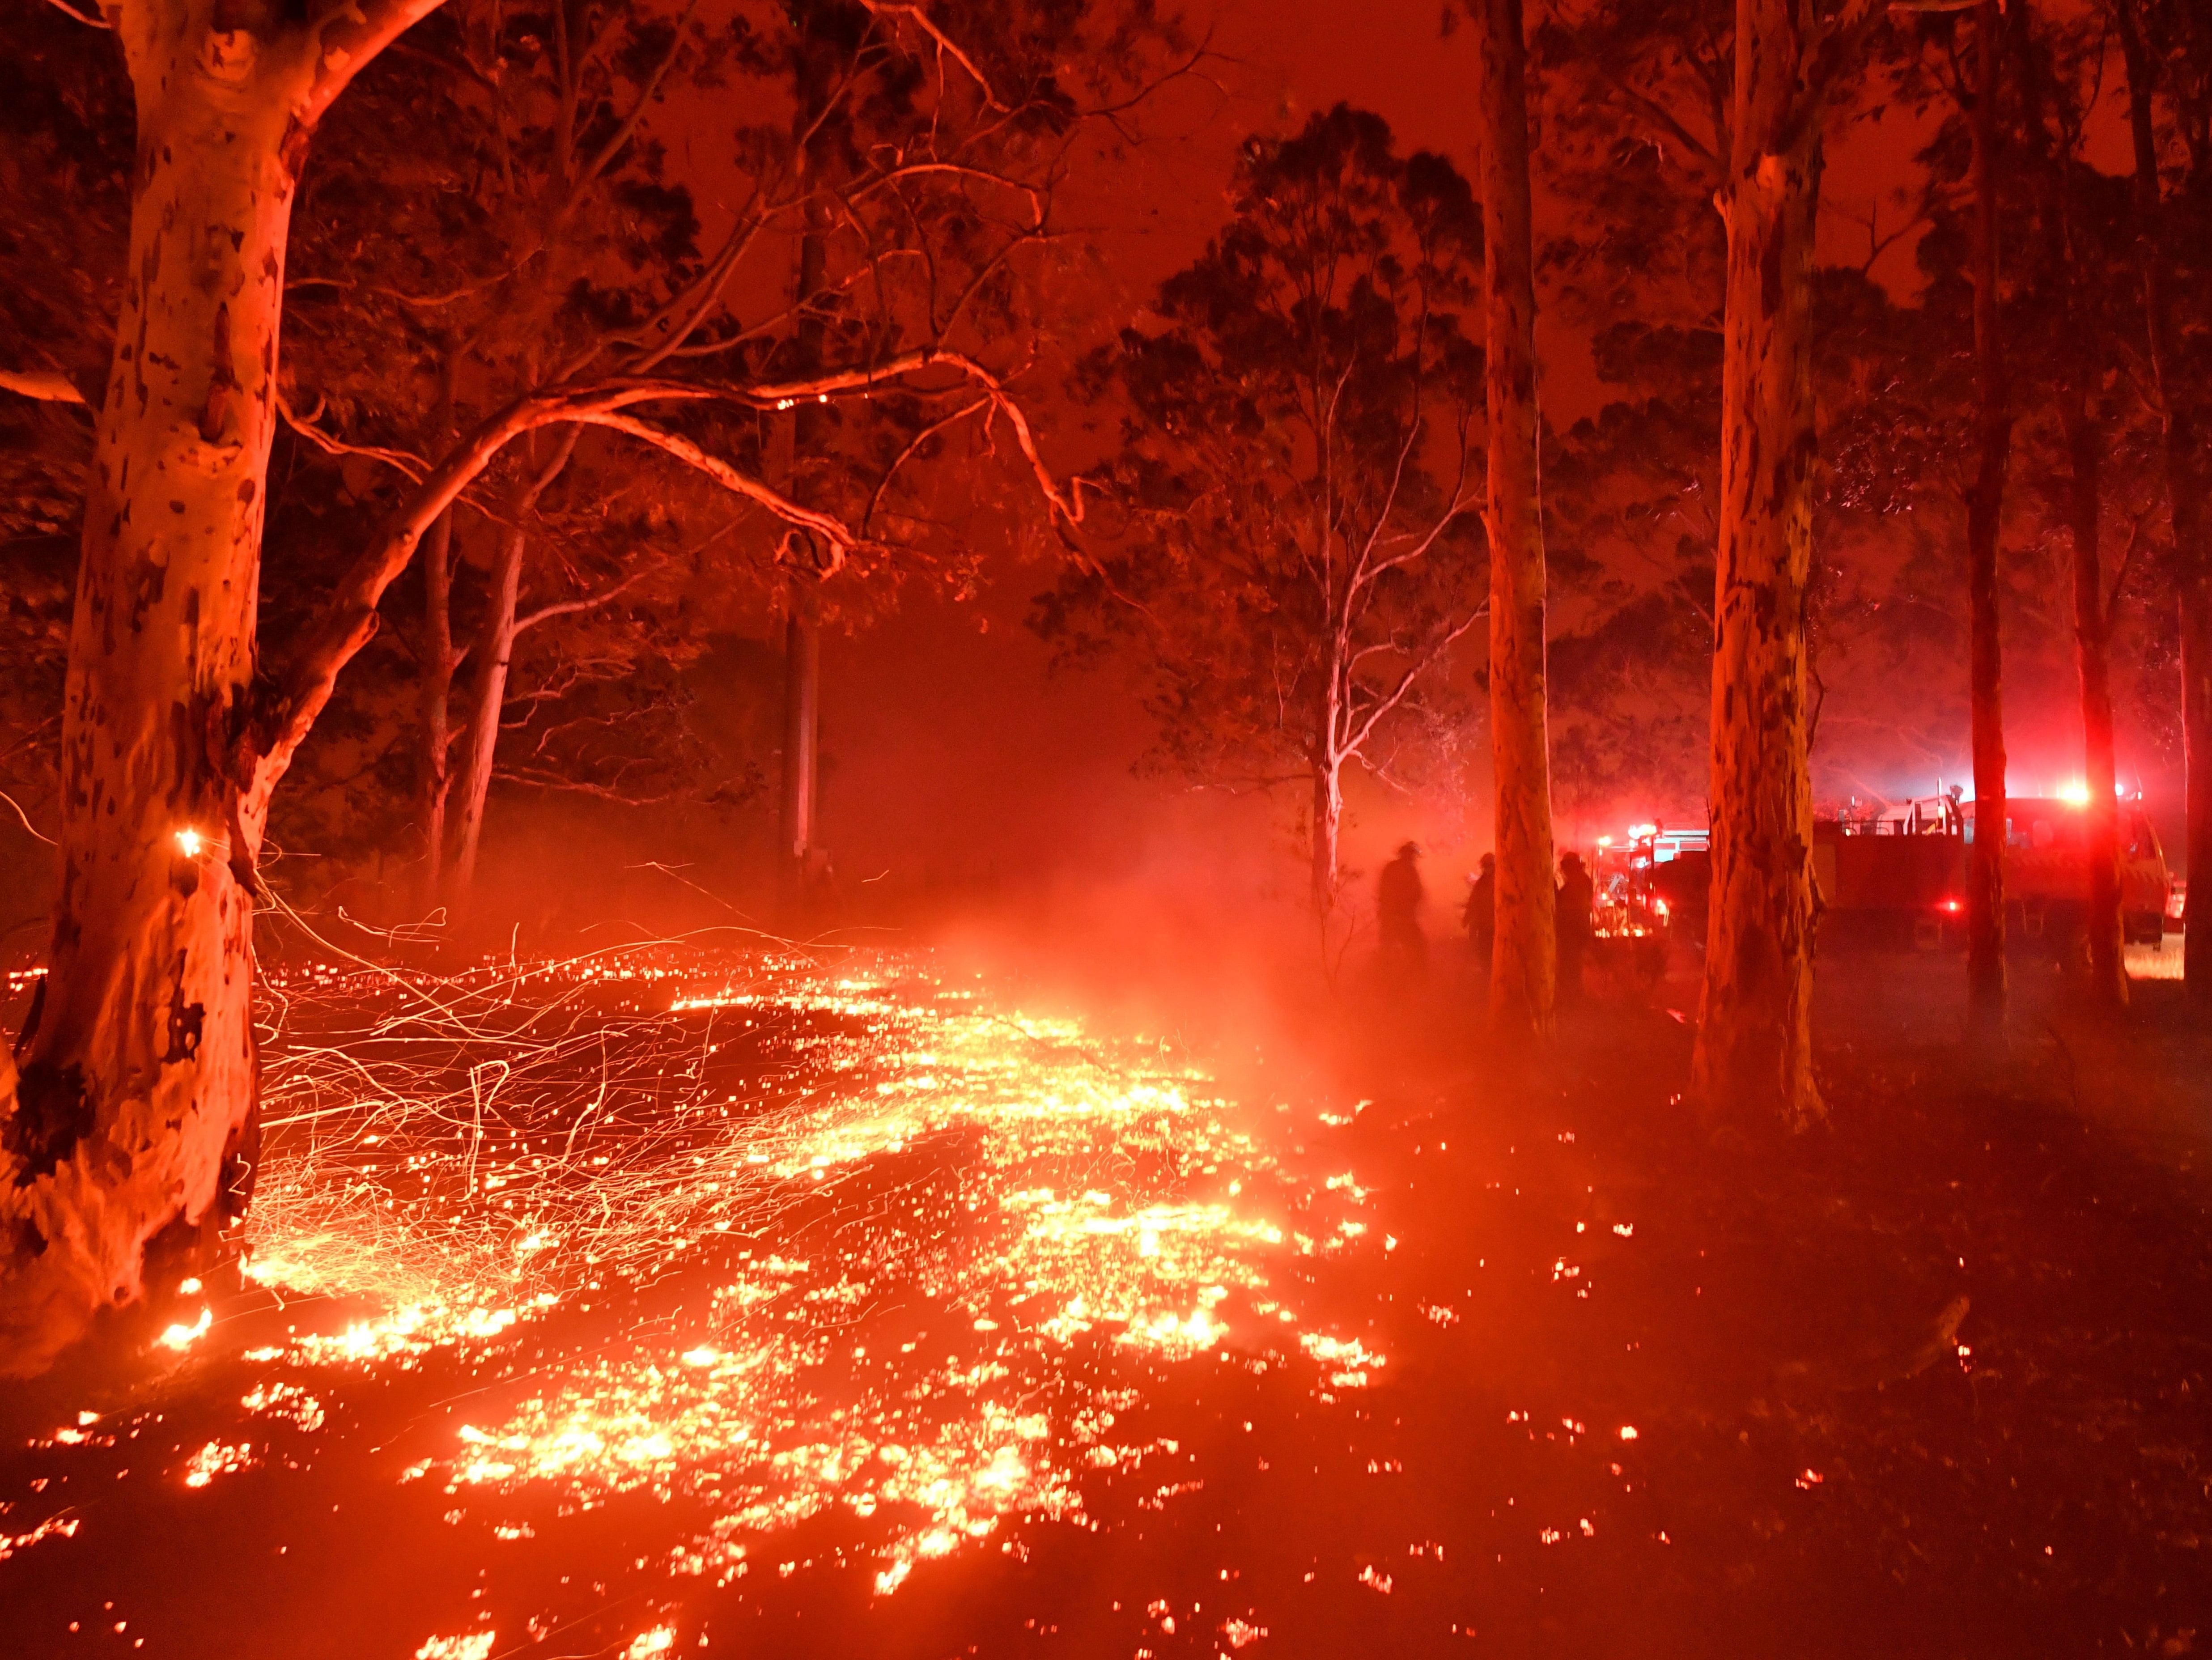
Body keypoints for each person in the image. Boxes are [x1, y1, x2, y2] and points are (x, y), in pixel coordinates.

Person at [1378, 841, 1427, 976]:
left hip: (1391, 916)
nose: (1415, 859)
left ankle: (1386, 977)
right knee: (1416, 948)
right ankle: (1414, 978)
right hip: (1402, 917)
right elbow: (1416, 893)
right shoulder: (1408, 870)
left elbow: (1383, 892)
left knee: (1388, 948)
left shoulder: (1392, 868)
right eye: (1413, 855)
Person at [1556, 850, 1595, 1006]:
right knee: (1571, 964)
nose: (1564, 870)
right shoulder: (1580, 880)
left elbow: (1571, 907)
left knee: (1570, 965)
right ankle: (1573, 996)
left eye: (1566, 866)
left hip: (1573, 931)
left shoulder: (1579, 882)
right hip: (1575, 930)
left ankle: (1573, 998)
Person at [1463, 853, 1496, 971]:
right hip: (1484, 925)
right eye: (1485, 866)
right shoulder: (1481, 883)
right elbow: (1474, 901)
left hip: (1496, 926)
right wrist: (1467, 918)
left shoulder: (1501, 881)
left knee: (1493, 952)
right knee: (1484, 950)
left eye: (1489, 866)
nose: (1486, 869)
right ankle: (1486, 972)